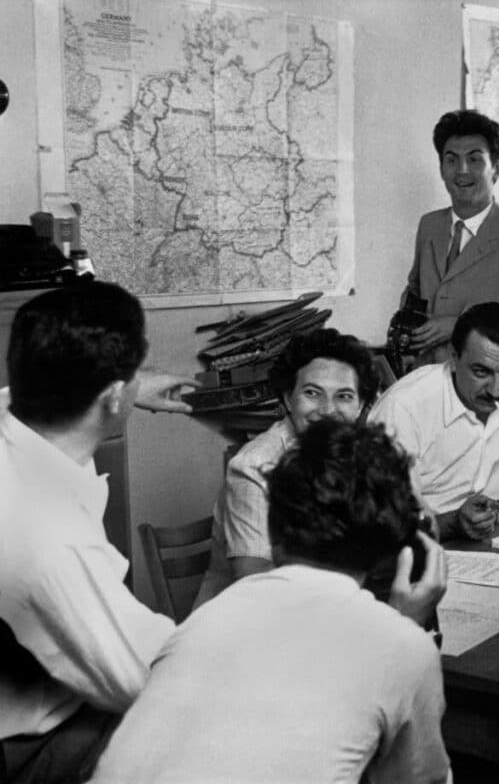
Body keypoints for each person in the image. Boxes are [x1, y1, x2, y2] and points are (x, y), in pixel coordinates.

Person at [90, 420, 450, 783]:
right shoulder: (400, 645)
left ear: (274, 534)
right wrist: (407, 629)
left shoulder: (207, 617)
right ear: (394, 547)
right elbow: (421, 778)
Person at [0, 282, 181, 783]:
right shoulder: (50, 538)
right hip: (21, 749)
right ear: (111, 396)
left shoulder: (13, 422)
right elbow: (139, 678)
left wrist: (134, 387)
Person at [193, 328, 379, 607]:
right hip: (246, 627)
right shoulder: (253, 466)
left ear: (361, 404)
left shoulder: (357, 453)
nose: (328, 410)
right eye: (312, 393)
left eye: (344, 396)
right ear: (287, 398)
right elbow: (254, 581)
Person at [370, 302, 499, 541]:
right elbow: (381, 525)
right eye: (481, 372)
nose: (497, 389)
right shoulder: (403, 406)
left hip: (485, 545)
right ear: (454, 358)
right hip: (415, 547)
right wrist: (453, 523)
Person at [403, 109, 499, 363]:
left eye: (475, 160)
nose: (462, 170)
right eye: (451, 160)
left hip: (487, 385)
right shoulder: (429, 226)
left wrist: (462, 326)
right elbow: (415, 292)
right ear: (441, 169)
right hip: (427, 380)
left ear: (495, 170)